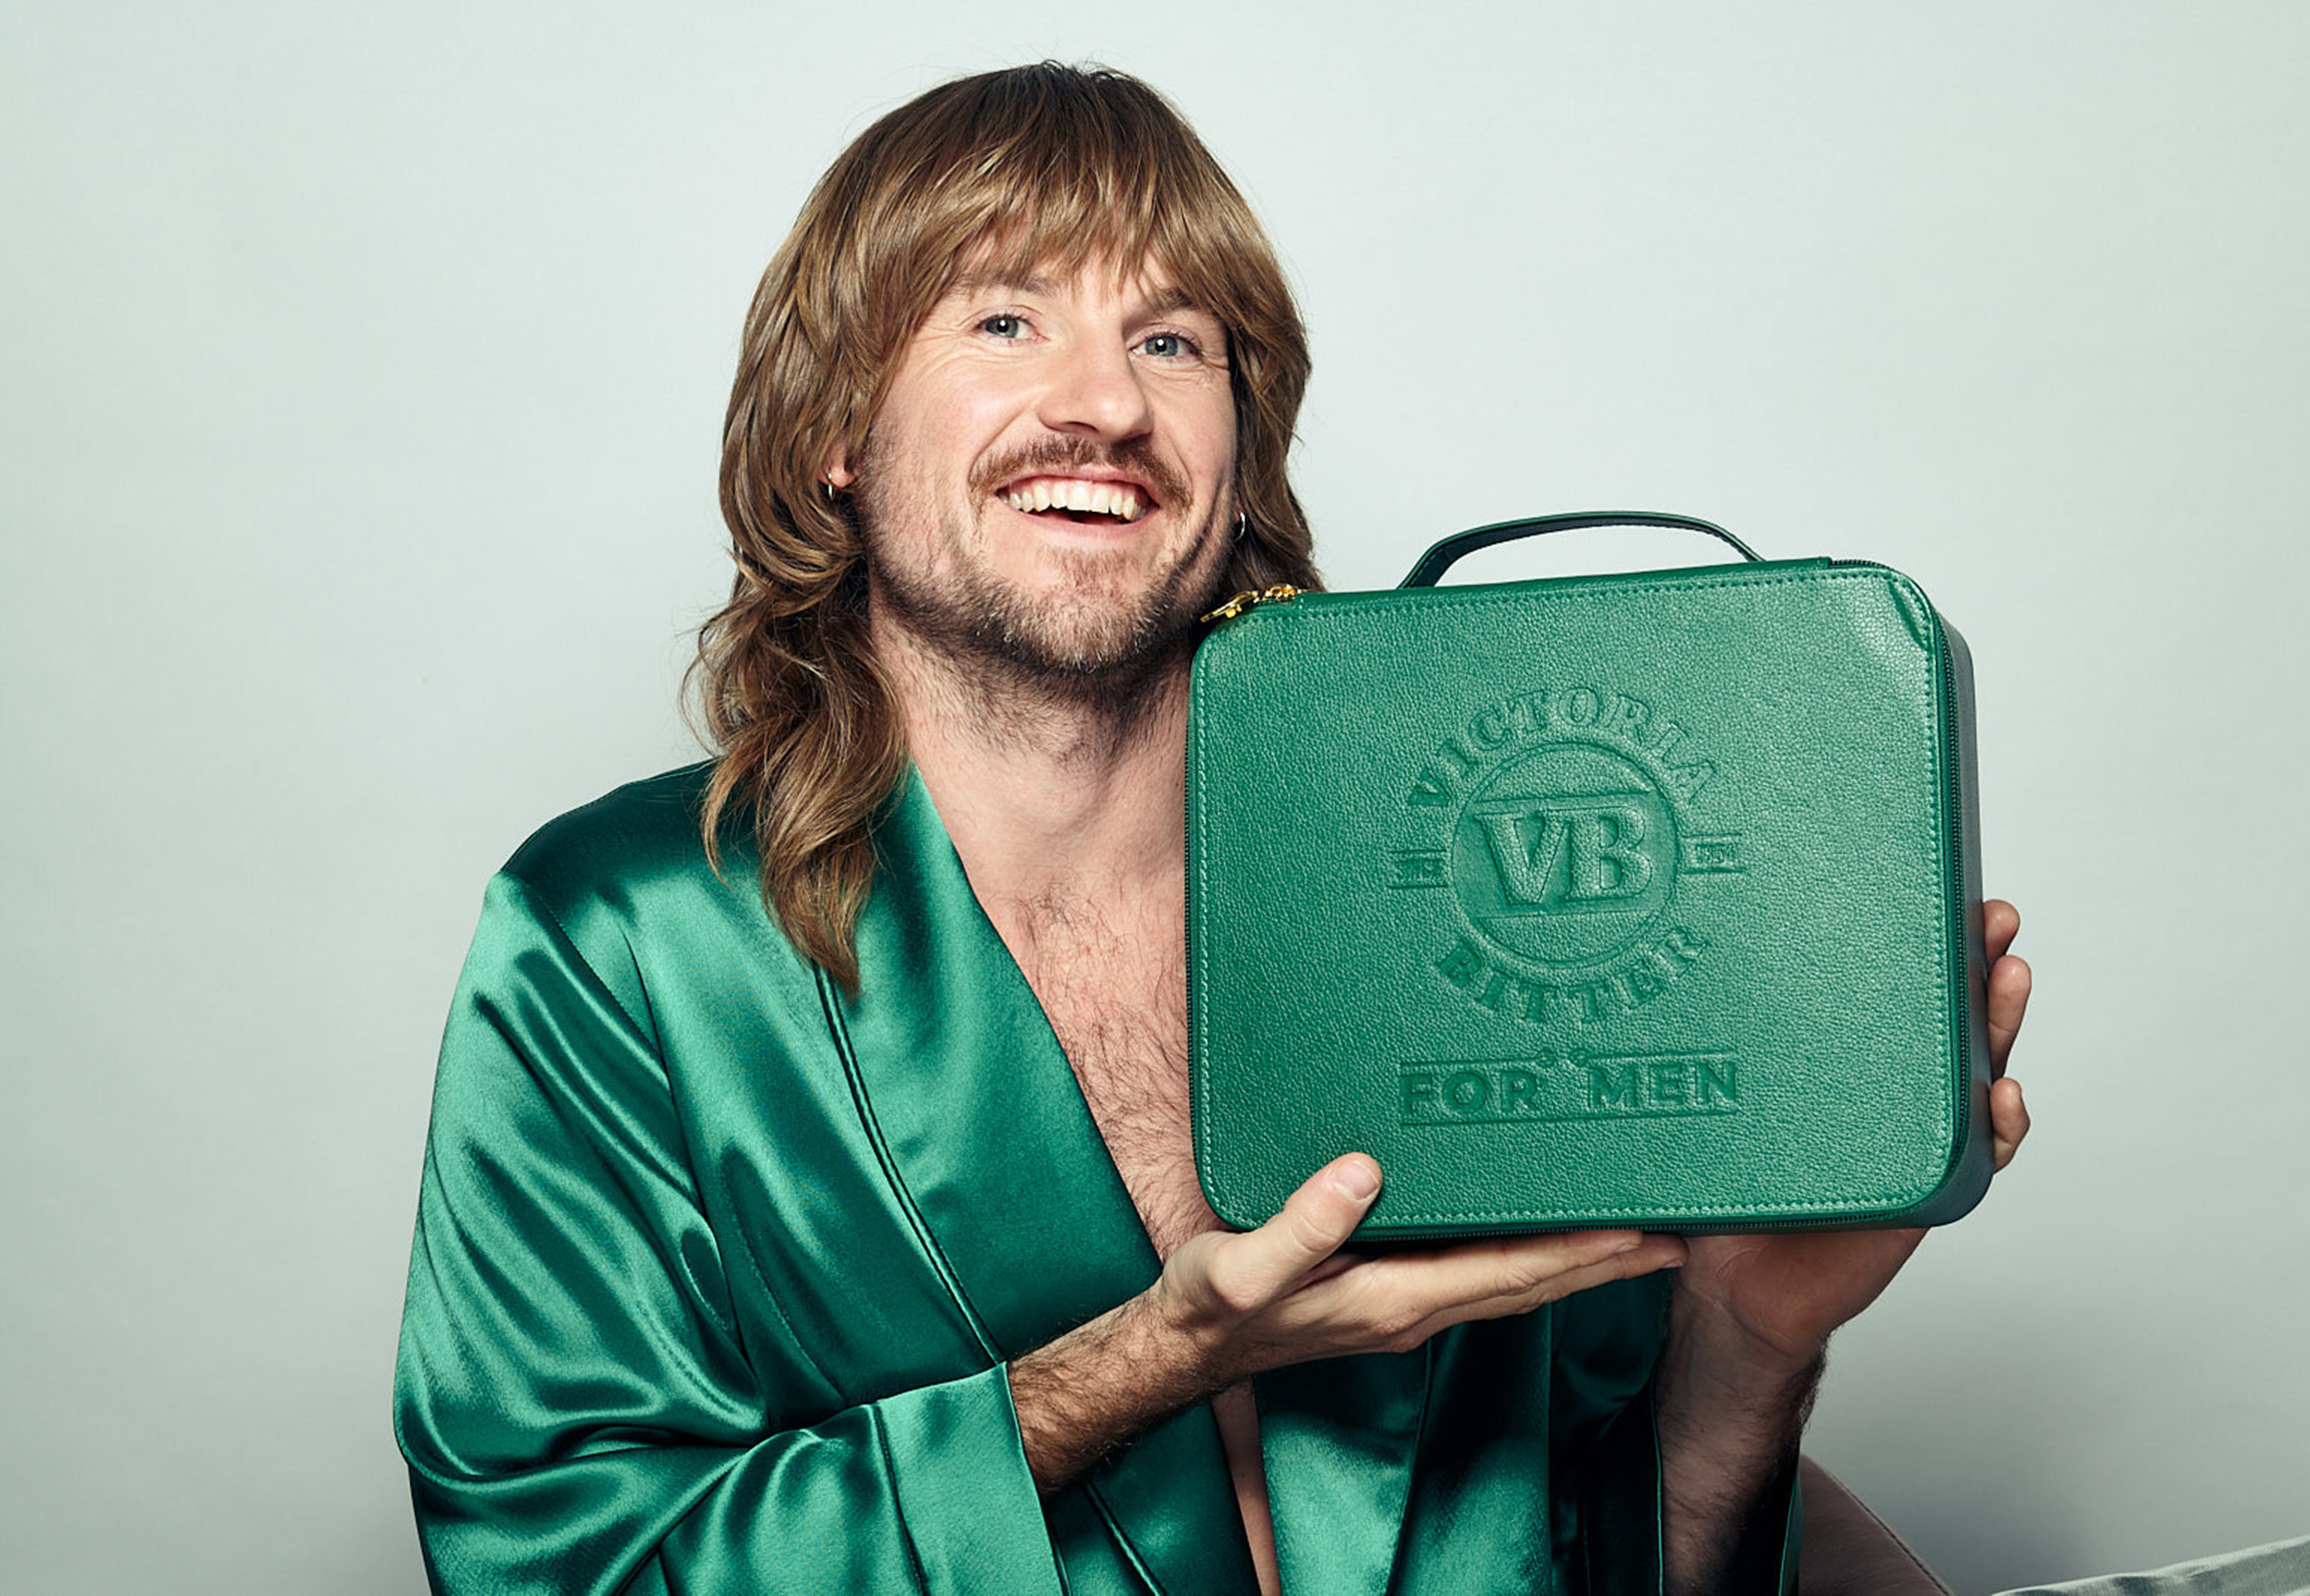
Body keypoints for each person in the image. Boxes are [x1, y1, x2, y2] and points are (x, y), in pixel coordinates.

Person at [393, 62, 2034, 1596]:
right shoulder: (617, 943)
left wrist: (1754, 1338)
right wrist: (1155, 1362)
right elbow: (560, 1564)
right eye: (1006, 320)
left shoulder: (1458, 918)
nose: (1102, 403)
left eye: (1175, 343)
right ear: (834, 433)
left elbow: (1613, 1542)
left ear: (1241, 460)